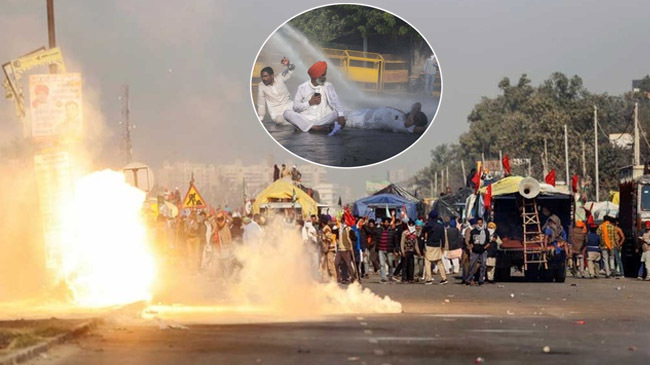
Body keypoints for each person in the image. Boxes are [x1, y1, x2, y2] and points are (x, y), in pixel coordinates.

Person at [283, 61, 346, 135]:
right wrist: (309, 103)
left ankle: (307, 127)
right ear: (315, 77)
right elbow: (295, 108)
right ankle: (316, 128)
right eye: (323, 75)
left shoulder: (328, 86)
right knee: (286, 113)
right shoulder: (302, 87)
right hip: (305, 119)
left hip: (321, 120)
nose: (325, 77)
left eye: (325, 74)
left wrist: (341, 116)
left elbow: (335, 101)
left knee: (337, 113)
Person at [344, 102, 429, 134]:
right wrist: (412, 116)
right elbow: (417, 104)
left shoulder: (403, 127)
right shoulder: (404, 114)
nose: (413, 115)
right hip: (366, 111)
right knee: (340, 111)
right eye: (416, 114)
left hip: (360, 120)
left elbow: (419, 130)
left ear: (415, 124)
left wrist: (411, 122)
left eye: (416, 119)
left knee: (338, 117)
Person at [256, 58, 295, 125]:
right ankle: (296, 121)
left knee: (303, 106)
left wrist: (288, 63)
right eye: (262, 77)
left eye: (265, 76)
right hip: (277, 113)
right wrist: (261, 117)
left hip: (289, 106)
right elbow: (261, 103)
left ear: (272, 76)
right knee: (279, 121)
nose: (263, 79)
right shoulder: (261, 85)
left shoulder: (280, 78)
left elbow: (291, 69)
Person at [423, 210, 448, 285]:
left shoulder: (428, 224)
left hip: (430, 244)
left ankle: (429, 279)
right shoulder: (440, 225)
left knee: (427, 261)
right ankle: (444, 278)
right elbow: (443, 237)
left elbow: (423, 230)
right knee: (439, 261)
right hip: (437, 245)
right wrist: (443, 246)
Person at [465, 218, 489, 285]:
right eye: (478, 223)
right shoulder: (473, 231)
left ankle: (481, 280)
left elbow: (488, 242)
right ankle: (469, 279)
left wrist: (484, 248)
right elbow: (471, 241)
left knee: (483, 265)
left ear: (482, 223)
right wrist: (471, 248)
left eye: (480, 223)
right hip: (475, 251)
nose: (479, 224)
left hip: (483, 251)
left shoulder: (486, 232)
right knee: (472, 265)